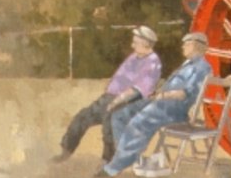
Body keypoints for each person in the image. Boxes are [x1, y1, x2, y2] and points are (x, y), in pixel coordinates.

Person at [97, 31, 211, 178]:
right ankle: (131, 158)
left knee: (137, 124)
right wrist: (158, 94)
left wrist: (163, 95)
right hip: (162, 102)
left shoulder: (201, 67)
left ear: (195, 46)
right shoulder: (188, 64)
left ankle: (113, 168)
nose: (182, 47)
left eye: (186, 44)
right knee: (120, 115)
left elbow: (185, 94)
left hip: (173, 109)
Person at [54, 25, 162, 162]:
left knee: (109, 123)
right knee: (82, 116)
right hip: (109, 97)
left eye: (135, 42)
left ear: (145, 44)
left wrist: (116, 101)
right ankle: (66, 151)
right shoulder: (135, 57)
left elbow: (137, 90)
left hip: (128, 101)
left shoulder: (152, 62)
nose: (132, 45)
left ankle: (107, 162)